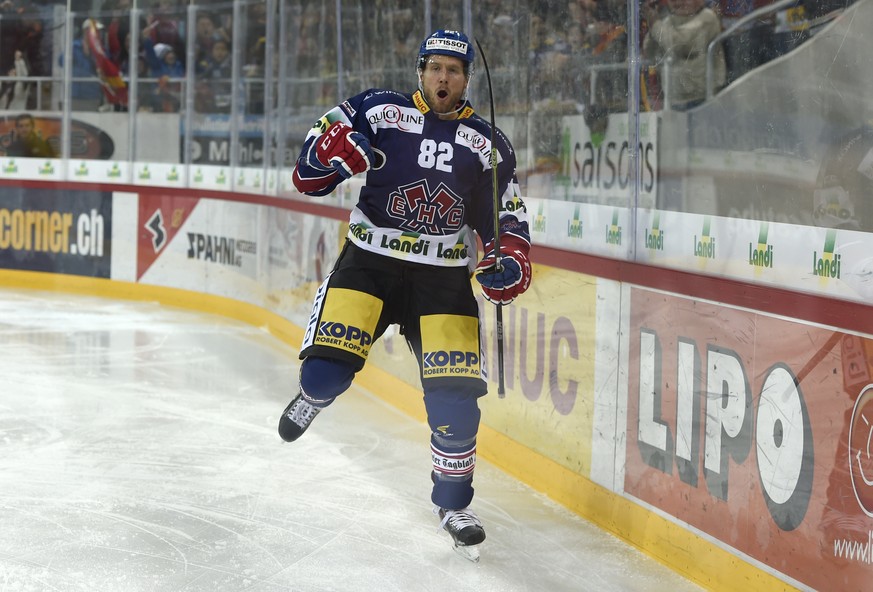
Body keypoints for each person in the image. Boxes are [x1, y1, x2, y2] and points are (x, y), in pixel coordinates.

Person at [278, 30, 532, 558]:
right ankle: (314, 396)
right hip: (369, 263)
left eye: (455, 71)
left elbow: (507, 215)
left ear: (467, 79)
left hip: (440, 279)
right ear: (420, 71)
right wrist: (325, 158)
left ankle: (454, 504)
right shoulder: (377, 110)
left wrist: (510, 256)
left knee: (456, 400)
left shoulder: (489, 144)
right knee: (326, 370)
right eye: (435, 68)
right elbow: (305, 176)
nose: (444, 78)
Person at [642, 0, 726, 110]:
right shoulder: (668, 21)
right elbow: (650, 53)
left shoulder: (707, 18)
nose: (678, 2)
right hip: (674, 100)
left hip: (703, 99)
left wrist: (655, 24)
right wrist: (653, 22)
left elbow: (680, 44)